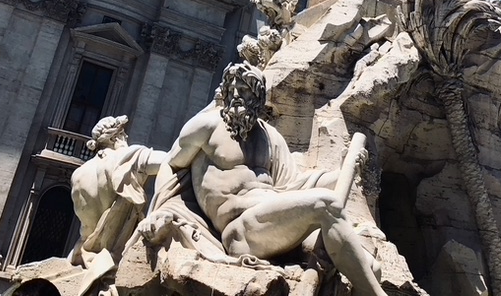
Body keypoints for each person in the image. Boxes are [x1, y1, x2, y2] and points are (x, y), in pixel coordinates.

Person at [150, 62, 385, 296]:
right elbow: (170, 165)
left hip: (274, 221)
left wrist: (347, 169)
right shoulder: (207, 126)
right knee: (326, 204)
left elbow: (292, 186)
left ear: (258, 97)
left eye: (244, 91)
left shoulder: (270, 137)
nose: (236, 96)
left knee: (370, 266)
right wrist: (161, 210)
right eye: (231, 89)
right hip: (239, 230)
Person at [70, 115, 165, 267]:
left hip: (84, 256)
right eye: (123, 132)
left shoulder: (78, 174)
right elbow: (170, 161)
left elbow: (86, 224)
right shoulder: (128, 157)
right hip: (117, 259)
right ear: (116, 137)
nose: (126, 136)